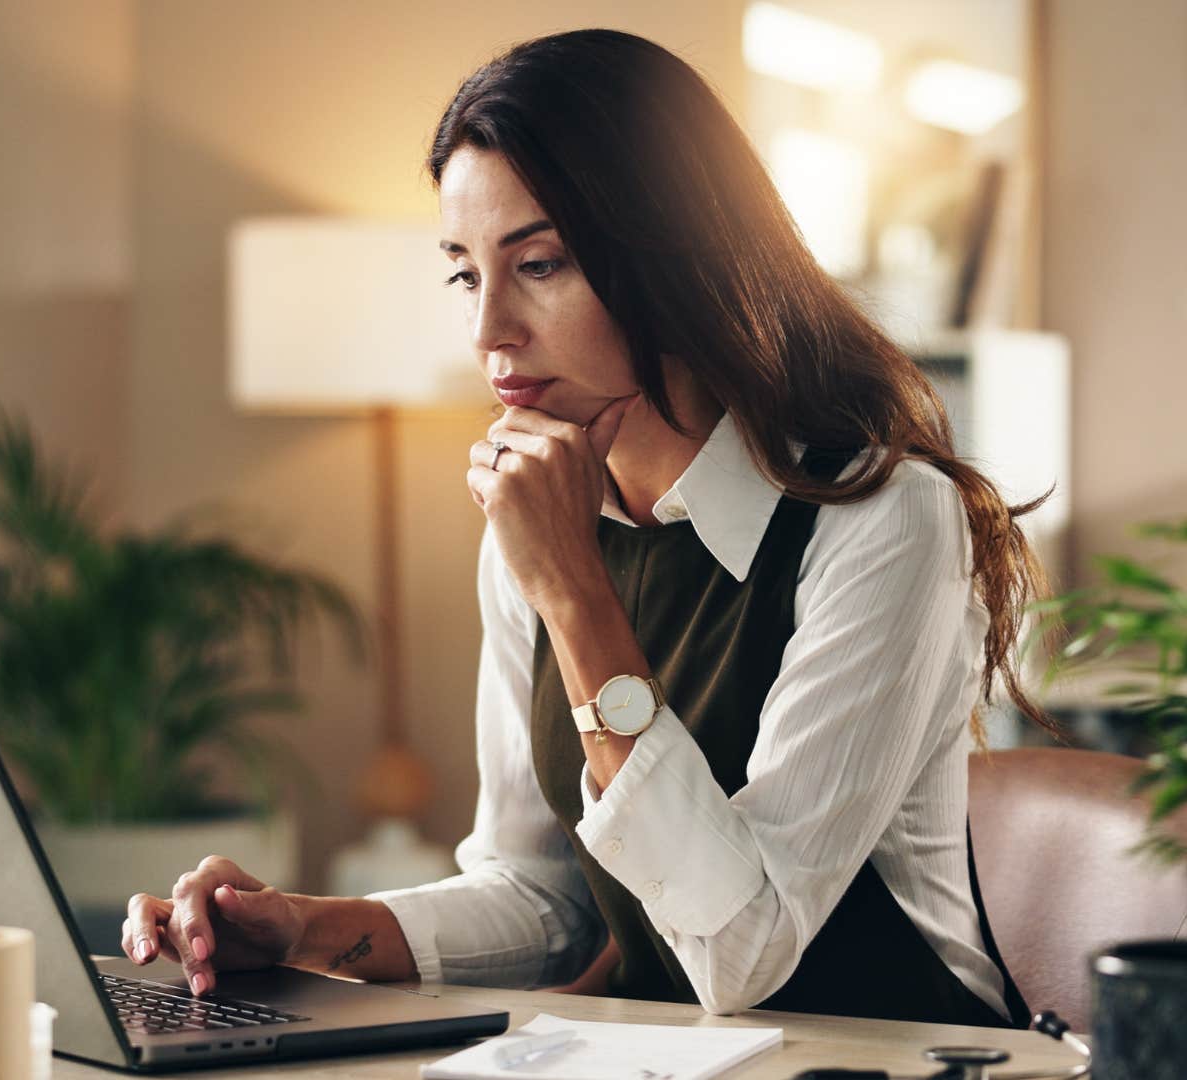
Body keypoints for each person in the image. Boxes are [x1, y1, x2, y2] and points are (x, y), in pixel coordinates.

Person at [119, 28, 1055, 1027]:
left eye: (543, 263)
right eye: (466, 274)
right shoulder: (539, 526)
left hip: (898, 1054)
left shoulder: (883, 520)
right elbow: (544, 898)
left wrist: (573, 590)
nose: (489, 334)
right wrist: (303, 929)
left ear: (676, 258)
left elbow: (748, 950)